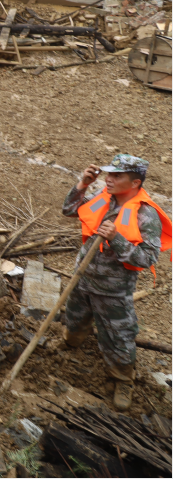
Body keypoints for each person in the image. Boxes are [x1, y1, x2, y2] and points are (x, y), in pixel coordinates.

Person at [61, 155, 171, 411]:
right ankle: (70, 342)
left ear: (134, 182)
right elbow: (68, 210)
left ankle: (123, 379)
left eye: (116, 176)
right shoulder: (102, 197)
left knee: (118, 337)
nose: (108, 179)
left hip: (113, 290)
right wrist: (82, 184)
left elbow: (147, 258)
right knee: (75, 317)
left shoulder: (146, 214)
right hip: (83, 276)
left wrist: (117, 239)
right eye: (108, 174)